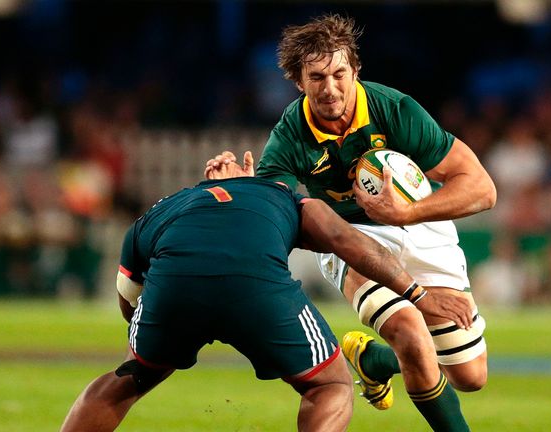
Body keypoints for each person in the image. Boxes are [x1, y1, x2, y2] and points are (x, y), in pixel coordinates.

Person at [206, 14, 496, 431]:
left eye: (339, 73)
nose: (330, 88)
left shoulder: (394, 110)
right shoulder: (289, 139)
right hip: (349, 238)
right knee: (410, 331)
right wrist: (246, 193)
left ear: (355, 71)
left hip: (421, 227)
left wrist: (407, 212)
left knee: (470, 376)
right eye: (317, 76)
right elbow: (279, 216)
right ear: (298, 81)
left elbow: (483, 189)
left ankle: (371, 359)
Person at [60, 157, 473, 432]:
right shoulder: (280, 195)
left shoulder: (161, 209)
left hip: (174, 285)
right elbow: (348, 242)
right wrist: (419, 295)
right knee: (330, 386)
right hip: (256, 284)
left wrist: (150, 347)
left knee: (127, 379)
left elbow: (127, 295)